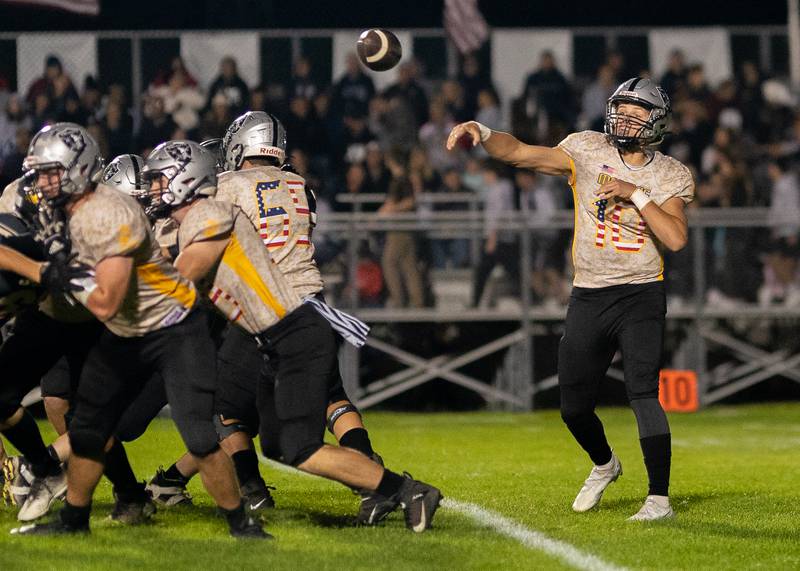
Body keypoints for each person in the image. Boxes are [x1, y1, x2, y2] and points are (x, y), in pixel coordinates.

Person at [140, 139, 442, 532]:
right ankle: (383, 487)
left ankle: (406, 490)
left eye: (161, 181)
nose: (153, 190)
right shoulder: (204, 214)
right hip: (279, 337)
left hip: (292, 336)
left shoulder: (210, 214)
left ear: (186, 181)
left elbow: (177, 276)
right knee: (280, 445)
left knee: (290, 442)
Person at [447, 77, 694, 521]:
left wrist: (634, 193)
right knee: (573, 407)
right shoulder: (587, 149)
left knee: (643, 391)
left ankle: (659, 498)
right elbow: (520, 152)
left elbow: (675, 238)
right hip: (589, 293)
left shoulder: (669, 173)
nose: (624, 118)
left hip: (640, 292)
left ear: (657, 123)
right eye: (621, 108)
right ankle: (605, 464)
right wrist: (482, 132)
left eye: (637, 112)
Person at [10, 123, 265, 538]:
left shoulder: (112, 212)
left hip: (173, 326)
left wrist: (52, 272)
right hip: (126, 330)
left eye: (50, 172)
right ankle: (74, 521)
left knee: (199, 435)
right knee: (90, 427)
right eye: (38, 172)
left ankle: (242, 523)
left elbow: (106, 298)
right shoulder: (61, 207)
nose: (41, 182)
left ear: (77, 170)